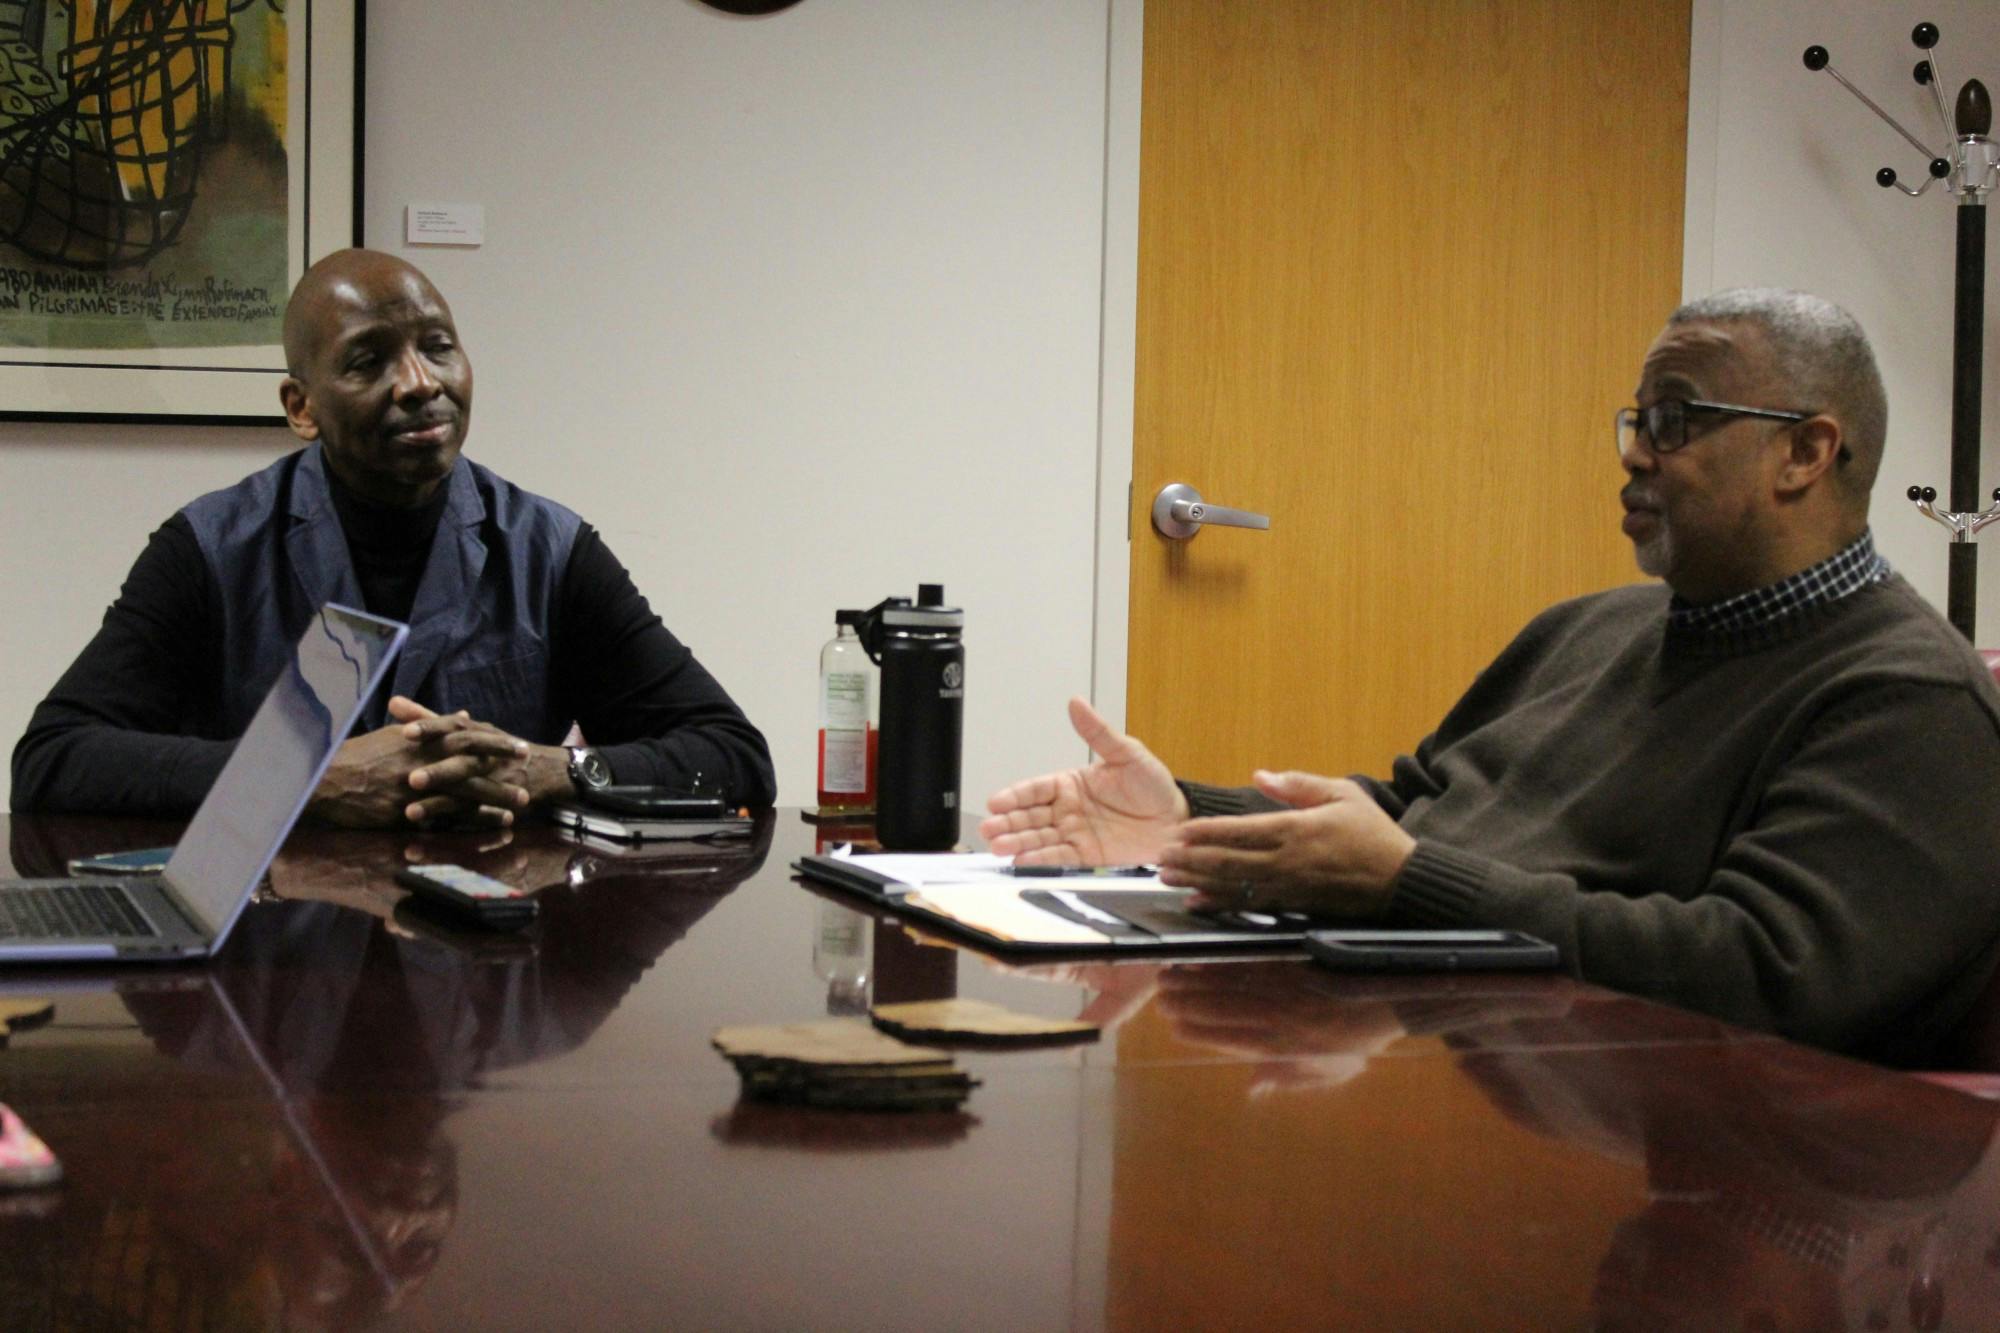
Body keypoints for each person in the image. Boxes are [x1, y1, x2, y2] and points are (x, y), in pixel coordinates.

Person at [983, 289, 2000, 1062]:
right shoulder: (1590, 628)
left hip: (1725, 1148)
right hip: (1469, 1053)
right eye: (1635, 420)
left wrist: (1403, 882)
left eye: (1676, 420)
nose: (1636, 455)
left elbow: (1762, 973)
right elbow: (1413, 808)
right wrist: (1189, 825)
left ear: (1804, 454)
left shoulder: (1905, 702)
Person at [11, 249, 775, 826]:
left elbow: (734, 756)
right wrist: (306, 776)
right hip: (268, 973)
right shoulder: (211, 550)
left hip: (482, 972)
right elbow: (53, 760)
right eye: (369, 360)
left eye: (438, 346)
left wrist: (547, 769)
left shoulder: (549, 549)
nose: (419, 382)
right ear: (301, 405)